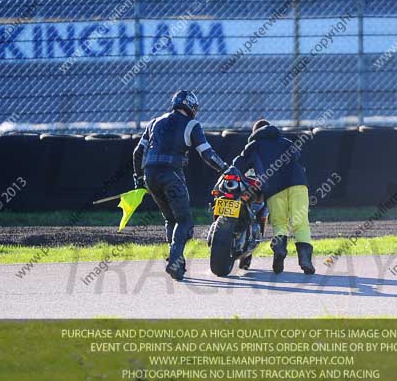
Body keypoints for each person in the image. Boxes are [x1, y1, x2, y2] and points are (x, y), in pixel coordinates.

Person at [132, 90, 228, 281]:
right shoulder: (192, 124)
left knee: (171, 219)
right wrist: (225, 168)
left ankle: (178, 262)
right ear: (192, 107)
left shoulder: (154, 122)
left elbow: (137, 152)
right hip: (172, 174)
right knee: (184, 221)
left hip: (150, 175)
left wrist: (138, 177)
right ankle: (175, 261)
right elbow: (206, 153)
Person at [231, 119, 314, 274]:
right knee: (301, 221)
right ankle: (305, 260)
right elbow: (299, 159)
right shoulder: (286, 142)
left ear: (255, 133)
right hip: (298, 184)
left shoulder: (254, 146)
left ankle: (280, 251)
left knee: (279, 223)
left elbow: (238, 165)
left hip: (274, 188)